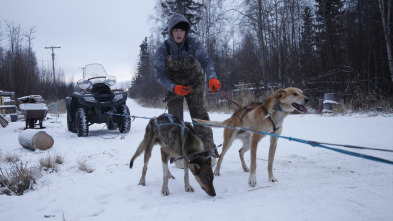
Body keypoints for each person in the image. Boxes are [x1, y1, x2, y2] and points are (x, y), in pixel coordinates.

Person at [154, 13, 221, 167]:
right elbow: (159, 74)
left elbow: (205, 60)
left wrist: (212, 77)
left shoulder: (193, 43)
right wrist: (173, 87)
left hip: (195, 83)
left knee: (200, 116)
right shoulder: (162, 49)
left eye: (182, 30)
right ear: (171, 31)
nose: (179, 33)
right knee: (174, 120)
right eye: (176, 30)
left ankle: (208, 151)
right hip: (174, 86)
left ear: (186, 32)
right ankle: (178, 155)